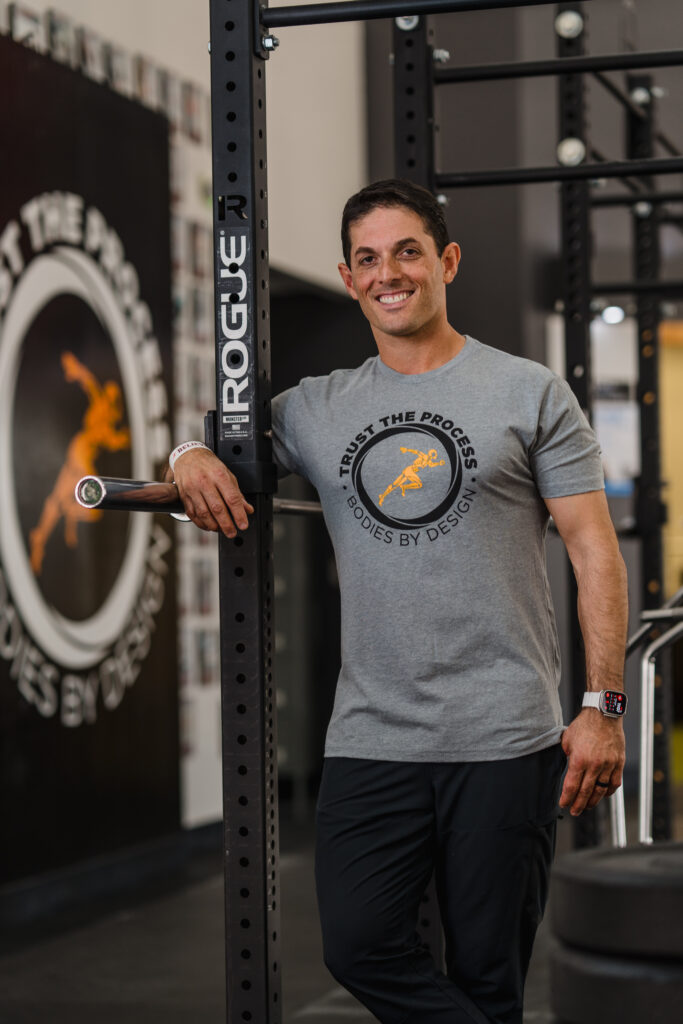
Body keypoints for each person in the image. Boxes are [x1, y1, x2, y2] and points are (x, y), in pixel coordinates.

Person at [169, 180, 628, 1024]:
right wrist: (186, 454)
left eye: (407, 251)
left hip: (505, 735)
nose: (390, 273)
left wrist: (602, 704)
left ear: (445, 260)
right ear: (348, 278)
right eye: (369, 259)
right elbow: (220, 441)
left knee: (491, 977)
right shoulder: (319, 407)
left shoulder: (526, 392)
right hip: (372, 733)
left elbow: (593, 550)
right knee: (358, 944)